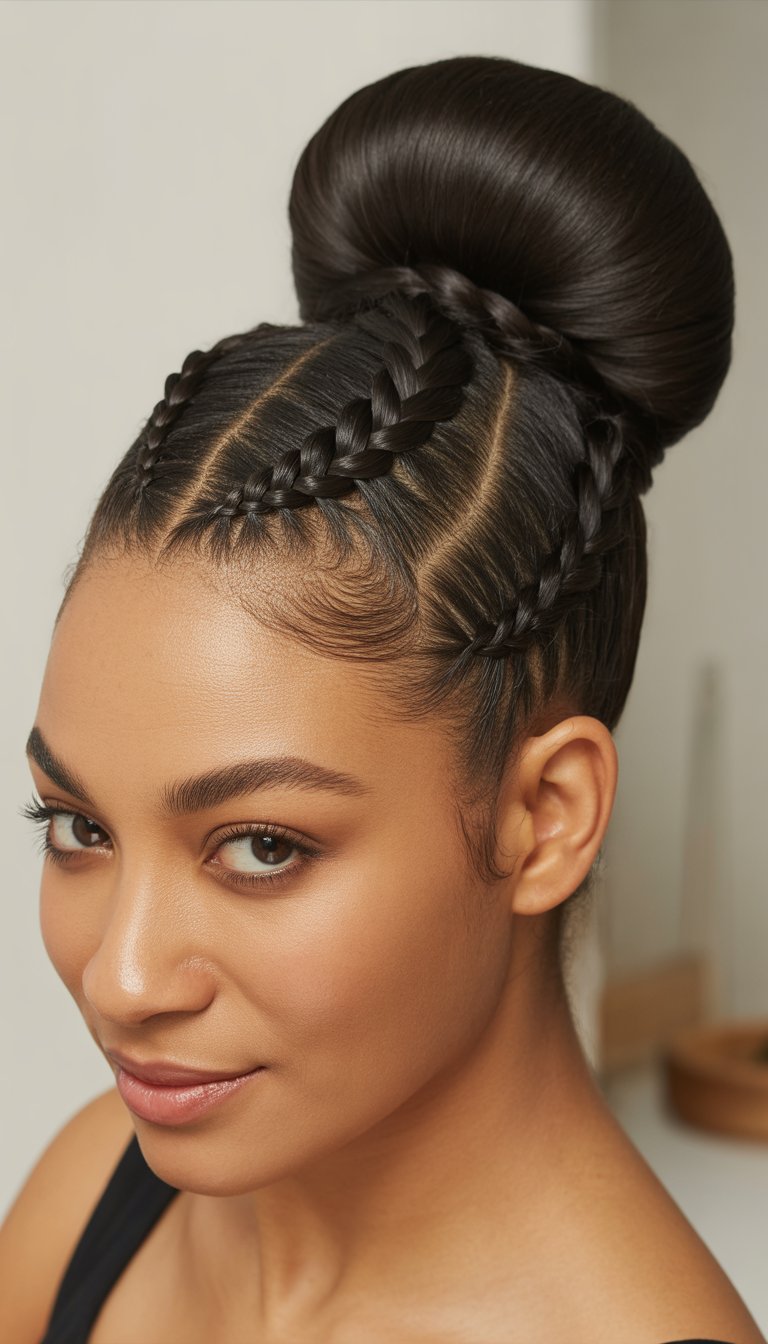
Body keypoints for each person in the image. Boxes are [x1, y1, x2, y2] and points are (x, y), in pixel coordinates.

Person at [0, 51, 762, 1344]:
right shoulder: (90, 1204)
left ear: (547, 814)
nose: (121, 979)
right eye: (78, 826)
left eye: (260, 846)